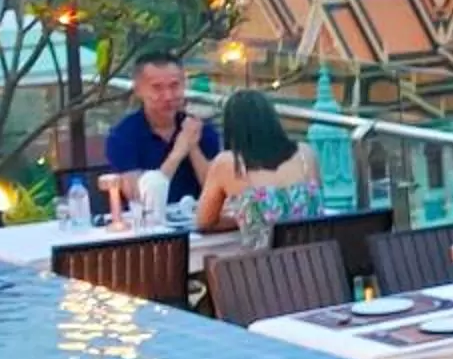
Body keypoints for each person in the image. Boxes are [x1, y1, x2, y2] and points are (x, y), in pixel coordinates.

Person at [195, 90, 323, 246]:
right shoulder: (306, 154)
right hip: (315, 262)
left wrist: (248, 217)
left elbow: (204, 222)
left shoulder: (229, 162)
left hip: (265, 266)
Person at [102, 53, 220, 203]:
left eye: (174, 86)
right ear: (138, 90)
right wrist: (178, 152)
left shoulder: (200, 130)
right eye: (157, 88)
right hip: (147, 223)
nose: (168, 96)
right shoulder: (122, 136)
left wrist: (193, 147)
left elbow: (218, 191)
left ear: (184, 85)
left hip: (199, 220)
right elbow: (141, 196)